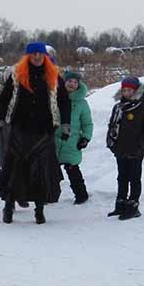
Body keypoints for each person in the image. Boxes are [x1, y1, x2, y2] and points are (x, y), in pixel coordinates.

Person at [0, 42, 70, 225]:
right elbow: (2, 99)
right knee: (15, 170)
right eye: (33, 54)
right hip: (20, 128)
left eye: (40, 54)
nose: (36, 57)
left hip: (44, 129)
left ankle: (39, 209)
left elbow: (64, 101)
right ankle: (9, 206)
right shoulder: (17, 74)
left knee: (41, 172)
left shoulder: (54, 75)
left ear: (44, 56)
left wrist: (66, 124)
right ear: (27, 56)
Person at [106, 75, 144, 221]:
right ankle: (120, 204)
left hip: (136, 151)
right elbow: (112, 125)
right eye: (124, 90)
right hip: (120, 149)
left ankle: (133, 206)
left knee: (134, 178)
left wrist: (141, 144)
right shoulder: (118, 107)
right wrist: (111, 141)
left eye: (129, 90)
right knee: (122, 177)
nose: (126, 93)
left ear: (136, 91)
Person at [55, 70, 93, 205]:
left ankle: (81, 195)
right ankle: (51, 195)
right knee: (51, 170)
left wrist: (85, 138)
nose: (72, 84)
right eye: (69, 81)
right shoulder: (55, 98)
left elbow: (87, 123)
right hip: (54, 141)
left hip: (72, 142)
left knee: (73, 170)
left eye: (75, 82)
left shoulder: (82, 103)